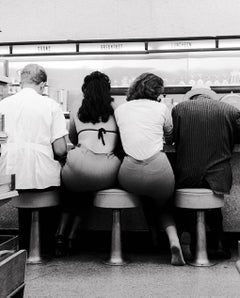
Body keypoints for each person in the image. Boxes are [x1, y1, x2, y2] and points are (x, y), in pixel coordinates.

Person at [114, 73, 185, 266]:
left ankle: (153, 238)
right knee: (164, 204)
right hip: (159, 171)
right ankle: (173, 240)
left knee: (145, 197)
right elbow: (170, 137)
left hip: (129, 174)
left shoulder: (120, 109)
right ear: (158, 92)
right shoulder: (162, 107)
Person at [0, 63, 68, 250]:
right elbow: (61, 149)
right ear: (42, 85)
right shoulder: (51, 105)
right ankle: (46, 245)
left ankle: (25, 247)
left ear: (21, 82)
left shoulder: (3, 105)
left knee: (23, 190)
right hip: (41, 176)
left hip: (9, 179)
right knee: (59, 187)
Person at [55, 71, 121, 256]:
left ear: (85, 89)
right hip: (106, 168)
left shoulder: (77, 105)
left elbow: (73, 137)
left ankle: (60, 233)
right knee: (89, 189)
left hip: (79, 163)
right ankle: (73, 235)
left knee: (72, 191)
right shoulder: (116, 106)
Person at [172, 88, 240, 259]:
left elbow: (174, 137)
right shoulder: (230, 110)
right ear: (211, 98)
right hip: (218, 175)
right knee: (214, 208)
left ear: (192, 98)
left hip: (187, 173)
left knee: (184, 205)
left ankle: (186, 235)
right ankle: (220, 243)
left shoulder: (179, 109)